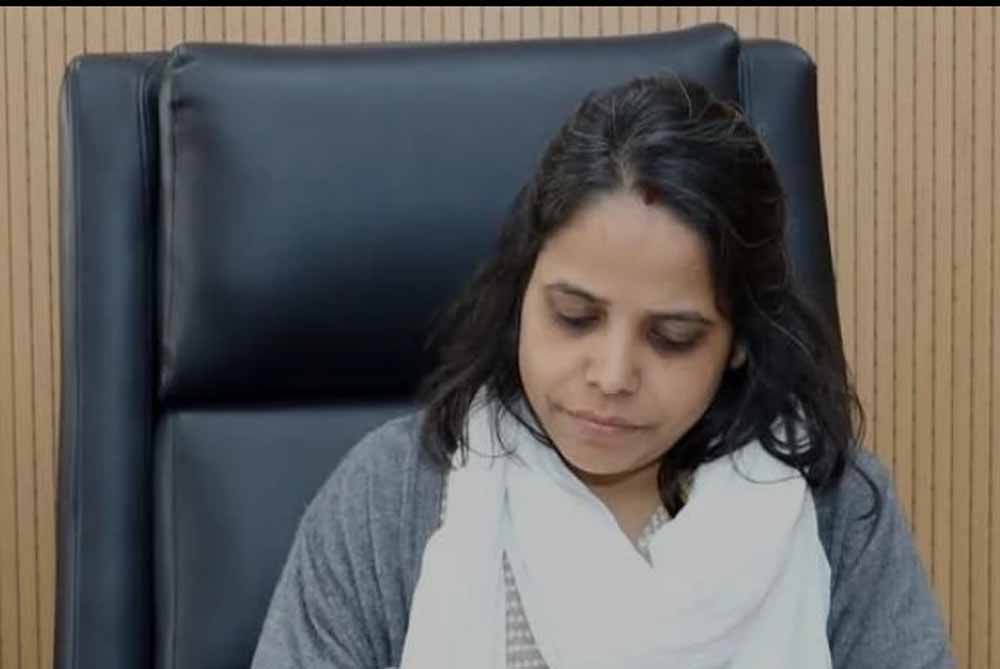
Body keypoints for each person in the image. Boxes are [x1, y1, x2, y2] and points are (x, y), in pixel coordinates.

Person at [250, 74, 955, 668]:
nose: (613, 375)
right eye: (574, 317)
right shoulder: (390, 495)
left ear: (740, 340)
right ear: (522, 293)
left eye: (672, 338)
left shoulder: (833, 506)